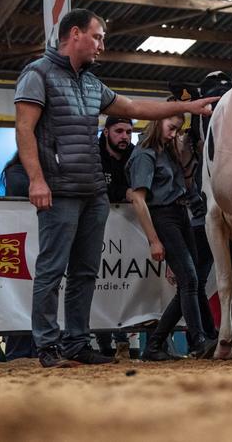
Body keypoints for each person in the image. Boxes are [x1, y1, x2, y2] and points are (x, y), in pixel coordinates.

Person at [14, 8, 215, 368]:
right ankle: (47, 345)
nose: (102, 45)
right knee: (51, 268)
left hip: (93, 192)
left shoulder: (92, 83)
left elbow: (135, 106)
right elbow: (25, 129)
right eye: (98, 36)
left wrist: (185, 105)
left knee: (85, 272)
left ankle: (76, 342)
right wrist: (36, 179)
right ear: (74, 34)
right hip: (59, 190)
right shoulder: (37, 74)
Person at [126, 115, 216, 361]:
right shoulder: (145, 154)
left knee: (191, 281)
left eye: (177, 129)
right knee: (189, 280)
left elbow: (186, 184)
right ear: (157, 121)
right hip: (163, 215)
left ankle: (155, 345)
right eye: (171, 127)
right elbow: (138, 199)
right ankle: (198, 341)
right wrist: (154, 239)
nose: (174, 133)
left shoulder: (168, 151)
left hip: (180, 213)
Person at [96, 116, 135, 359]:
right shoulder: (93, 153)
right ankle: (102, 343)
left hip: (128, 230)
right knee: (99, 284)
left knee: (126, 283)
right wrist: (123, 192)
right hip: (98, 227)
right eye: (119, 131)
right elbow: (96, 186)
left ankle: (123, 341)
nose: (124, 137)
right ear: (106, 131)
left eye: (129, 132)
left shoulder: (135, 153)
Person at [0, 154, 37, 360]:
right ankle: (18, 353)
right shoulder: (16, 169)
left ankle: (36, 349)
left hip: (36, 239)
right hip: (18, 240)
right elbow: (22, 189)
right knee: (18, 297)